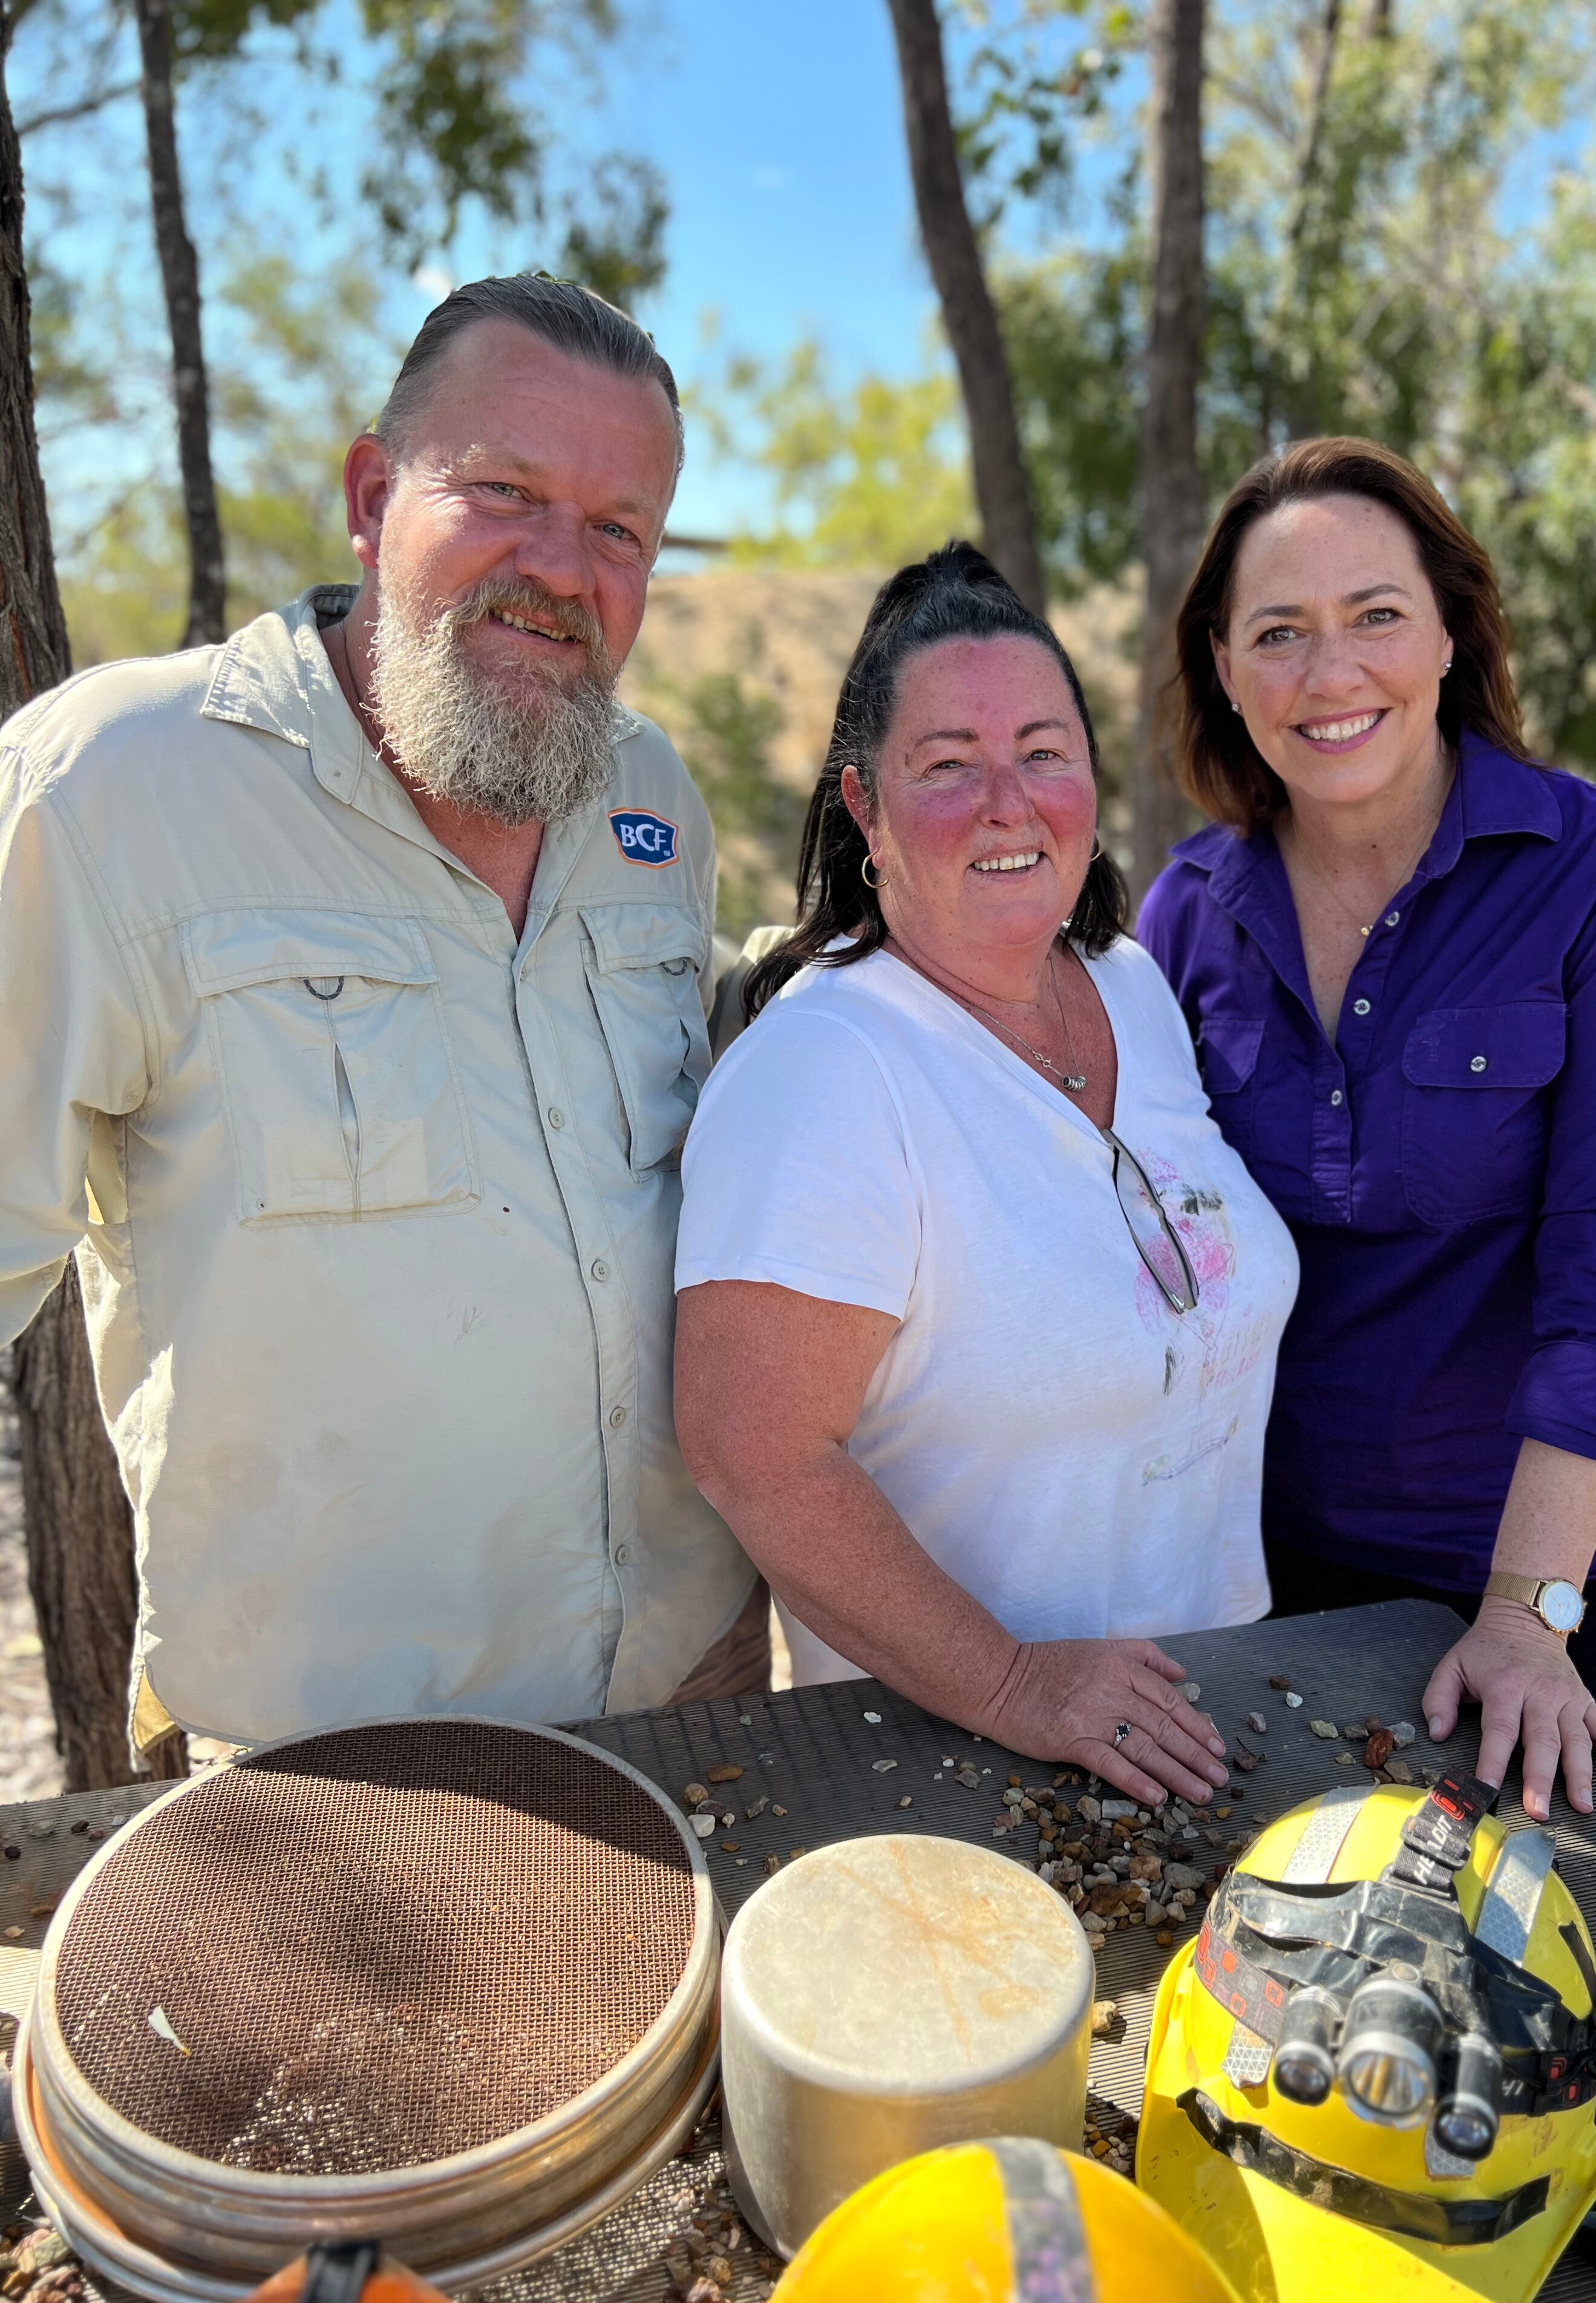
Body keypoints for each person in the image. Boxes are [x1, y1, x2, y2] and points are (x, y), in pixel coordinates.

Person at [0, 274, 764, 1751]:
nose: (560, 567)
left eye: (620, 530)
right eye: (504, 491)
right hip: (337, 1776)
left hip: (697, 1687)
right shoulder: (110, 794)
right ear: (370, 492)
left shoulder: (648, 792)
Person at [1137, 436, 1596, 1822]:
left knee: (1492, 1978)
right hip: (1258, 1563)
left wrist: (1525, 1616)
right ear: (1224, 668)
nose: (1330, 675)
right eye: (1278, 632)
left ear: (1453, 630)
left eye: (1376, 617)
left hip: (1529, 1573)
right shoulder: (1187, 911)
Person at [672, 545, 1298, 1809]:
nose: (1010, 802)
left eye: (1045, 752)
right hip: (957, 1772)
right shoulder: (828, 1070)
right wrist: (1017, 1684)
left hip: (1201, 1722)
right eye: (949, 766)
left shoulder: (1133, 986)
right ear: (867, 807)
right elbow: (751, 1453)